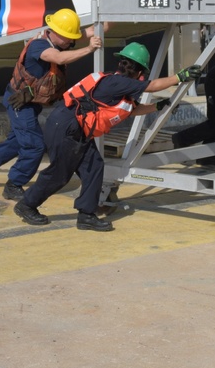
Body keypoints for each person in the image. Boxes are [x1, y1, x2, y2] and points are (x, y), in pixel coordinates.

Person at [13, 42, 202, 232]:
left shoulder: (117, 85)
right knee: (59, 174)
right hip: (66, 127)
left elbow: (131, 110)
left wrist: (159, 106)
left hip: (74, 128)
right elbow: (152, 86)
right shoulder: (118, 82)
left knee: (94, 166)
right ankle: (27, 205)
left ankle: (86, 215)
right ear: (139, 72)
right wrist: (179, 77)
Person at [0, 8, 103, 198]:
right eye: (68, 38)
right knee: (34, 146)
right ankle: (14, 184)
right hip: (19, 103)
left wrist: (111, 17)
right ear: (56, 32)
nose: (70, 42)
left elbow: (91, 31)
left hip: (32, 103)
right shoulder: (39, 46)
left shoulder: (60, 39)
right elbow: (57, 58)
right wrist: (89, 49)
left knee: (17, 142)